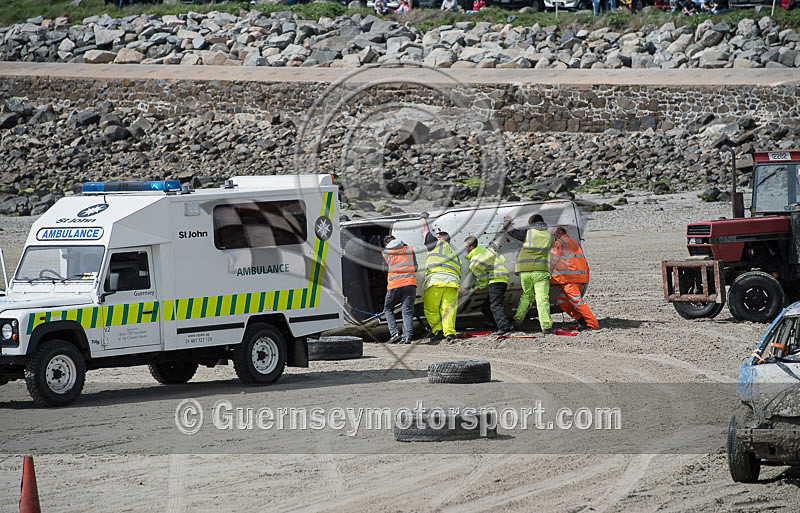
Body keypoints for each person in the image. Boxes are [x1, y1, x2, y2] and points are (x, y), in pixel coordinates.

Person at [503, 214, 553, 334]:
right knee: (542, 298)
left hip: (524, 270)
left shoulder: (528, 233)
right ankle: (546, 326)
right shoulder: (551, 236)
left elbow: (512, 232)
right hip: (540, 271)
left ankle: (518, 319)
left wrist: (507, 223)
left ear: (531, 224)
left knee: (526, 295)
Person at [550, 227, 599, 330]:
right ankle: (582, 320)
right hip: (580, 277)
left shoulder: (559, 243)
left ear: (559, 234)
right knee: (562, 301)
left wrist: (547, 273)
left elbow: (552, 259)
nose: (553, 237)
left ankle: (592, 324)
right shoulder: (574, 242)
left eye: (554, 235)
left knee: (578, 302)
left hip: (569, 279)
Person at [421, 218, 461, 342]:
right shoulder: (454, 254)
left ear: (439, 238)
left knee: (431, 309)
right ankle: (450, 333)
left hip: (436, 281)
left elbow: (424, 230)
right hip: (452, 283)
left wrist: (423, 218)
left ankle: (438, 331)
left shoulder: (435, 244)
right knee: (449, 310)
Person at [464, 236, 513, 335]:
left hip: (495, 281)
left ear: (471, 247)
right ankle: (499, 324)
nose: (464, 249)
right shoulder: (487, 251)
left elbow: (482, 281)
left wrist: (474, 288)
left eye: (465, 247)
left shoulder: (474, 262)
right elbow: (502, 259)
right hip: (503, 278)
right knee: (486, 307)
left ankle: (504, 327)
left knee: (495, 306)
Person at [382, 235, 418, 344]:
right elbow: (415, 267)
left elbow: (384, 270)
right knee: (406, 311)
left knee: (388, 309)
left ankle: (395, 334)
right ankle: (407, 337)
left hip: (394, 285)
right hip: (410, 283)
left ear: (386, 244)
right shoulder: (409, 249)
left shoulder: (386, 253)